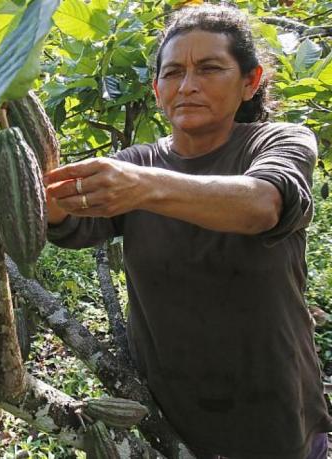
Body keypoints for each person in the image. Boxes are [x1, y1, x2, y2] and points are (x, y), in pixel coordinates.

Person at [43, 5, 332, 459]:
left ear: (249, 81)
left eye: (210, 68)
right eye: (173, 72)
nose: (188, 85)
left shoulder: (277, 141)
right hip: (173, 418)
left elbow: (264, 204)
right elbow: (70, 225)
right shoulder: (136, 163)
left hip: (274, 412)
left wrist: (144, 189)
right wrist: (41, 193)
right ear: (156, 89)